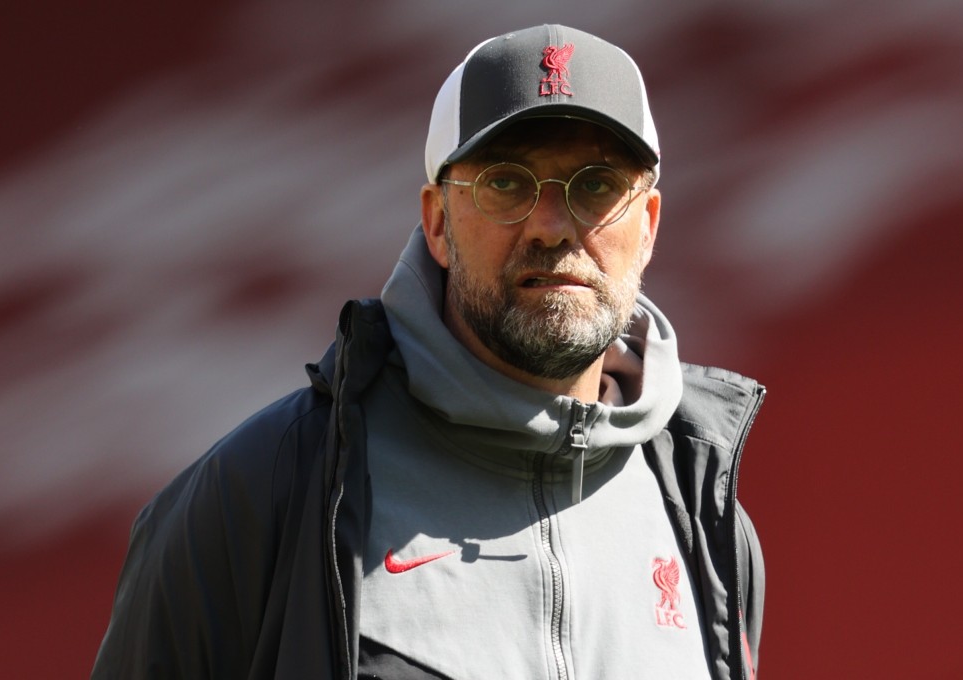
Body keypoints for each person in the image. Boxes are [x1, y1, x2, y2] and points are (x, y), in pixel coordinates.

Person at [92, 24, 765, 680]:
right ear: (439, 223)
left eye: (595, 186)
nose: (553, 225)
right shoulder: (262, 494)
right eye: (507, 183)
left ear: (646, 227)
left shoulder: (708, 525)